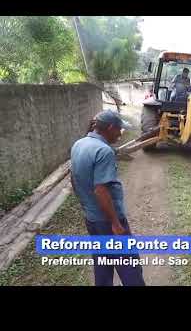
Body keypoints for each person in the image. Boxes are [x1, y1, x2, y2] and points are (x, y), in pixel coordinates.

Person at [71, 110, 146, 286]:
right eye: (119, 129)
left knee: (102, 265)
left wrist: (85, 205)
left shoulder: (79, 144)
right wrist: (115, 224)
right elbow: (101, 191)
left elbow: (73, 178)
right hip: (108, 223)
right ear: (110, 127)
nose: (121, 133)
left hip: (92, 220)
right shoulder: (104, 151)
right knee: (130, 268)